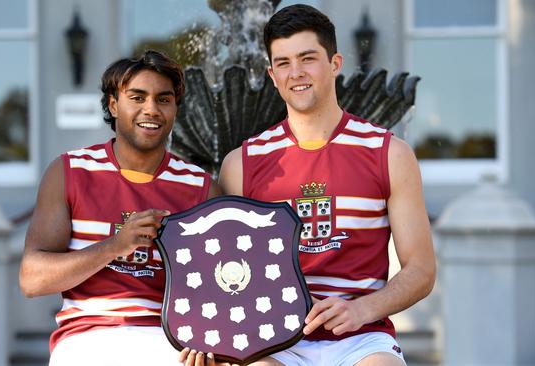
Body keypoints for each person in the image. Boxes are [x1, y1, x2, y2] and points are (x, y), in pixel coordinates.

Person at [183, 4, 436, 366]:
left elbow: (421, 269)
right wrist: (207, 333)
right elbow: (222, 269)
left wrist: (362, 309)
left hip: (361, 338)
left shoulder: (389, 154)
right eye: (283, 63)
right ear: (271, 74)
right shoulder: (241, 164)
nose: (296, 73)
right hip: (271, 337)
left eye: (307, 58)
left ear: (335, 63)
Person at [19, 50, 221, 366]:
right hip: (87, 338)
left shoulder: (200, 186)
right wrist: (116, 245)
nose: (151, 109)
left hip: (169, 340)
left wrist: (208, 340)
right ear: (114, 105)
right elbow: (32, 279)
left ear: (175, 108)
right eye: (137, 98)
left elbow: (217, 286)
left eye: (163, 100)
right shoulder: (70, 172)